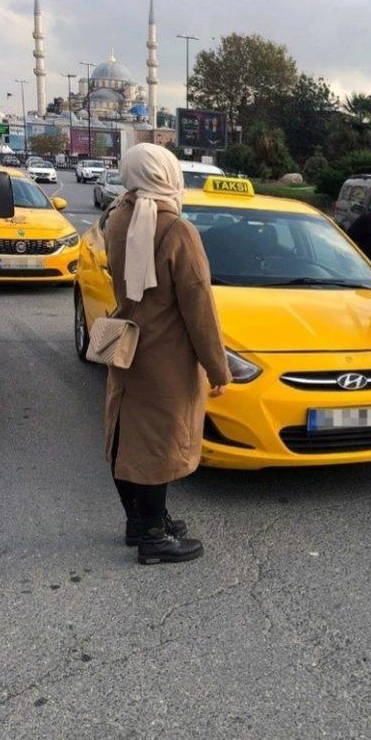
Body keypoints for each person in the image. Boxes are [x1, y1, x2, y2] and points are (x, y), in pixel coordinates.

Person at [103, 143, 231, 565]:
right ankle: (154, 538)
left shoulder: (118, 216)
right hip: (165, 354)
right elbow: (200, 307)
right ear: (167, 175)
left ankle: (138, 522)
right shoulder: (176, 229)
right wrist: (219, 369)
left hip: (126, 345)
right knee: (157, 444)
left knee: (126, 434)